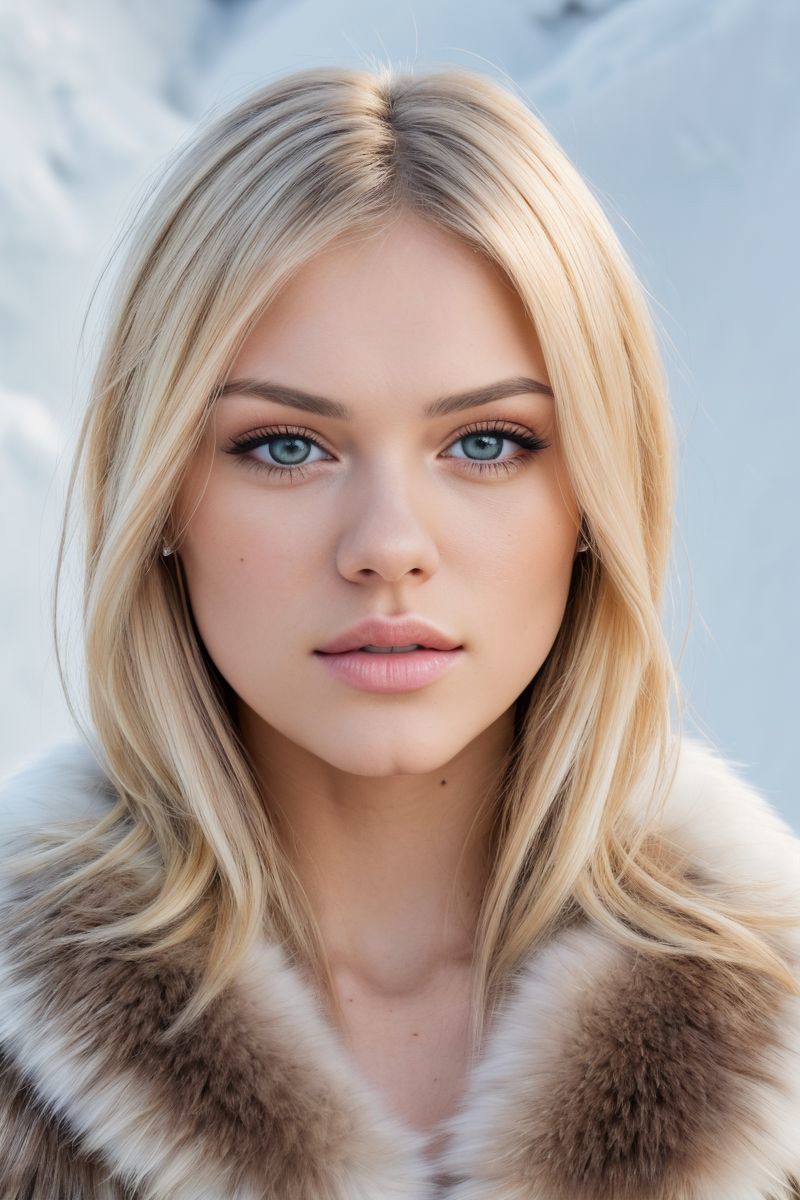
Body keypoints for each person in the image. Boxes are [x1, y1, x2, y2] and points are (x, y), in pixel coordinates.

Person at [0, 64, 798, 1200]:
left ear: (593, 499)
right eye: (284, 445)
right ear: (163, 496)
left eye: (483, 444)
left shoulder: (777, 1050)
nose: (386, 544)